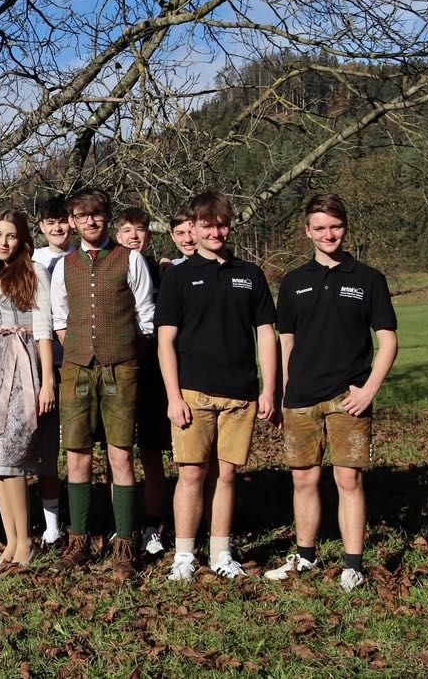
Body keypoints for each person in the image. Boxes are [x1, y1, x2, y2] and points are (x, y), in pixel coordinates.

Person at [265, 194, 398, 592]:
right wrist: (286, 392)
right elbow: (285, 341)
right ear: (308, 232)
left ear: (345, 228)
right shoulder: (293, 282)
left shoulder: (368, 279)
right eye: (320, 228)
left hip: (348, 398)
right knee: (303, 481)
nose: (328, 234)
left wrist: (369, 389)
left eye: (335, 227)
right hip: (301, 399)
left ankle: (352, 565)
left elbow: (388, 341)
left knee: (348, 480)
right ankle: (305, 557)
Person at [156, 191, 278, 581]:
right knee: (192, 474)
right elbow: (165, 342)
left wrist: (269, 390)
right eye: (207, 225)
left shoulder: (251, 275)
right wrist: (173, 396)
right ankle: (185, 556)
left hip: (240, 392)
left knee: (226, 475)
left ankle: (222, 553)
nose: (216, 231)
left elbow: (266, 336)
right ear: (192, 227)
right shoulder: (177, 276)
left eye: (222, 224)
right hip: (193, 392)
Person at [49, 188, 155, 582]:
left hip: (121, 368)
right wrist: (79, 349)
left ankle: (125, 544)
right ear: (72, 222)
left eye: (96, 215)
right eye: (81, 215)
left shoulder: (131, 260)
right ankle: (78, 541)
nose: (90, 221)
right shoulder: (65, 265)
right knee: (76, 455)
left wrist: (125, 354)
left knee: (120, 455)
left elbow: (147, 316)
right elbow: (60, 318)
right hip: (76, 368)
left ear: (106, 218)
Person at [0, 210, 56, 567]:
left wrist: (47, 380)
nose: (3, 242)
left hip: (22, 366)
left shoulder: (34, 272)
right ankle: (10, 540)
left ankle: (26, 542)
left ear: (22, 240)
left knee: (13, 453)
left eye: (11, 236)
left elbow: (44, 327)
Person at [113, 207, 169, 556]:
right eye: (128, 230)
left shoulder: (161, 272)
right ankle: (120, 522)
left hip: (149, 371)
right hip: (114, 371)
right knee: (115, 451)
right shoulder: (107, 267)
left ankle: (153, 523)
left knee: (149, 452)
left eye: (141, 229)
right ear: (117, 236)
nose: (135, 235)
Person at [31, 195, 74, 546]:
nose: (58, 228)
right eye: (50, 222)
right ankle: (51, 522)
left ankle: (82, 515)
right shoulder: (34, 262)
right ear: (42, 227)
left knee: (77, 444)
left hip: (79, 361)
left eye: (63, 221)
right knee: (46, 447)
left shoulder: (82, 259)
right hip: (42, 362)